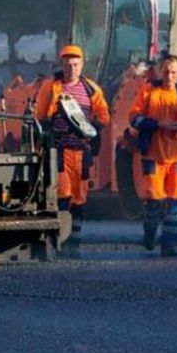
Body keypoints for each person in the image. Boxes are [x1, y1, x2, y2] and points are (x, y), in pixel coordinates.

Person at [33, 44, 111, 257]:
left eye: (75, 65)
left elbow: (104, 116)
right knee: (62, 195)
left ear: (82, 65)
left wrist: (92, 130)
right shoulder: (51, 87)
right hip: (59, 150)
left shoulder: (92, 90)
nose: (72, 68)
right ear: (61, 65)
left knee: (79, 197)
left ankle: (74, 243)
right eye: (67, 65)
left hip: (81, 150)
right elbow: (39, 117)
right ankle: (60, 240)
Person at [128, 54, 177, 257]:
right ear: (161, 70)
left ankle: (169, 244)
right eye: (166, 71)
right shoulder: (149, 91)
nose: (169, 76)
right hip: (153, 155)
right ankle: (150, 234)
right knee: (154, 201)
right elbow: (133, 118)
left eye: (174, 72)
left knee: (176, 204)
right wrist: (157, 124)